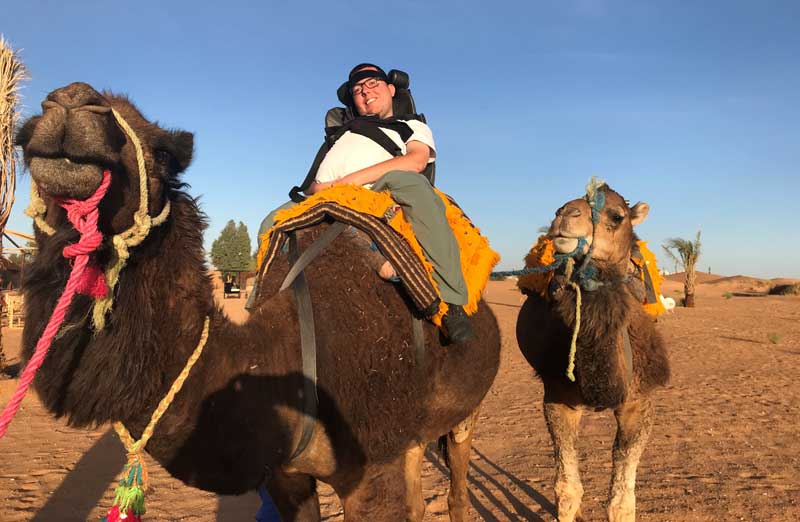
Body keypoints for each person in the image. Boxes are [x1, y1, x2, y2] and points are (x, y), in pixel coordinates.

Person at [253, 63, 475, 343]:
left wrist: (349, 181)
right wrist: (321, 187)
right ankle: (264, 301)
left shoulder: (411, 126)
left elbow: (416, 161)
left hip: (378, 189)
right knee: (269, 222)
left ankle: (452, 302)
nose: (365, 92)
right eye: (358, 89)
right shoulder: (340, 135)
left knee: (414, 186)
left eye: (373, 84)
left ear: (391, 90)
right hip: (326, 195)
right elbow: (313, 181)